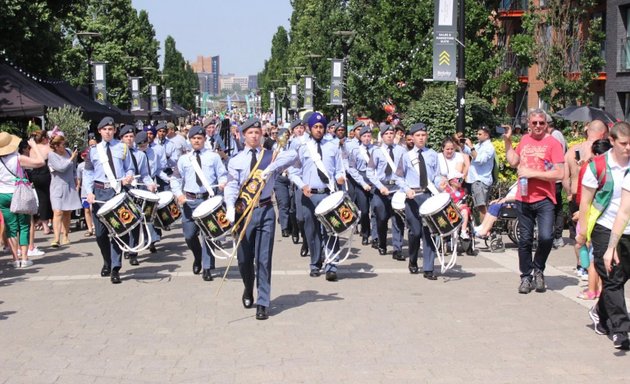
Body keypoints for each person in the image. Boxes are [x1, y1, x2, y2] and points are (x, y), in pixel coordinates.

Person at [224, 118, 297, 320]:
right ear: (243, 135)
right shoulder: (236, 160)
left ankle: (263, 301)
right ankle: (248, 287)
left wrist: (272, 168)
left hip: (265, 210)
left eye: (257, 132)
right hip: (244, 211)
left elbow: (292, 155)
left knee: (264, 259)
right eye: (250, 133)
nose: (254, 136)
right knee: (244, 259)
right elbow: (231, 187)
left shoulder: (271, 156)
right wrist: (230, 207)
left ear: (261, 135)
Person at [577, 122, 630, 350]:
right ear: (612, 141)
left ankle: (599, 311)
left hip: (627, 230)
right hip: (604, 227)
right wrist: (581, 233)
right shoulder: (597, 166)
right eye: (624, 143)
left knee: (621, 277)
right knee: (612, 278)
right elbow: (585, 202)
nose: (628, 148)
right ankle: (621, 330)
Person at [504, 109, 565, 294]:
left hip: (545, 198)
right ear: (529, 124)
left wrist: (533, 174)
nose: (538, 126)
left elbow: (560, 173)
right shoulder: (524, 140)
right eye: (534, 123)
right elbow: (514, 161)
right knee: (525, 240)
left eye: (541, 123)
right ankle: (526, 276)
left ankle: (539, 268)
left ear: (546, 124)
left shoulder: (553, 143)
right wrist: (507, 142)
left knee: (546, 237)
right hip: (524, 198)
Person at [288, 112, 345, 281]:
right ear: (309, 128)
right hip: (309, 194)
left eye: (321, 127)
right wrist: (302, 185)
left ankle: (331, 265)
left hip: (328, 194)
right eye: (316, 127)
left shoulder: (333, 146)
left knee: (332, 230)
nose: (319, 130)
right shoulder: (302, 147)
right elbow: (293, 171)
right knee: (311, 231)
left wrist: (340, 177)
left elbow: (340, 168)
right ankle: (315, 263)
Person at [83, 116, 136, 284]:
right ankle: (106, 260)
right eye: (104, 129)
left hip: (117, 191)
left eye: (110, 129)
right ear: (99, 131)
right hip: (99, 193)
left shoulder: (122, 148)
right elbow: (88, 173)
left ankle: (115, 267)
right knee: (100, 234)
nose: (108, 132)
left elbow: (130, 168)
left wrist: (128, 177)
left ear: (114, 131)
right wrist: (88, 193)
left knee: (118, 232)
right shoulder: (93, 151)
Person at [171, 125, 227, 282]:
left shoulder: (213, 157)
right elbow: (175, 179)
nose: (197, 141)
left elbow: (222, 174)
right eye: (194, 138)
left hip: (207, 199)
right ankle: (198, 256)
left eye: (199, 138)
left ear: (204, 140)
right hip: (189, 201)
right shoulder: (183, 159)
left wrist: (222, 183)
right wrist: (179, 195)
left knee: (208, 235)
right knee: (189, 236)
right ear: (190, 140)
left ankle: (207, 267)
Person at [394, 122, 442, 280]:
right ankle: (413, 259)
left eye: (423, 135)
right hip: (413, 197)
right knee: (415, 232)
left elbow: (436, 175)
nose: (421, 138)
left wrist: (441, 181)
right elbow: (398, 177)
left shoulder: (433, 154)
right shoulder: (406, 156)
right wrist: (406, 189)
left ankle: (428, 268)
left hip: (428, 196)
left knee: (429, 232)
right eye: (418, 136)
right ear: (412, 138)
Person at [563, 119, 608, 279]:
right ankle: (592, 269)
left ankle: (581, 266)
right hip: (593, 197)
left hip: (574, 196)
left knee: (579, 235)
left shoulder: (572, 151)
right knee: (592, 234)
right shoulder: (601, 150)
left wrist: (569, 193)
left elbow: (564, 177)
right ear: (603, 133)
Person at [0, 132, 45, 268]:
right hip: (18, 194)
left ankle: (15, 259)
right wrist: (34, 147)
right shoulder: (17, 158)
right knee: (24, 226)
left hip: (2, 195)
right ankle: (24, 258)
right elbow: (40, 162)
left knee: (11, 228)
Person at [366, 124, 406, 259]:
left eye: (391, 133)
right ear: (382, 136)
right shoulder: (376, 152)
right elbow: (370, 172)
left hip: (397, 189)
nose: (389, 136)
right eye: (386, 134)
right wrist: (379, 186)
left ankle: (397, 249)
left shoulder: (401, 150)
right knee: (381, 219)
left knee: (397, 219)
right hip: (381, 188)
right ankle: (382, 243)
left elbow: (406, 170)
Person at [118, 125, 156, 265]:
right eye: (126, 136)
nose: (129, 139)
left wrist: (150, 184)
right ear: (121, 138)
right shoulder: (117, 154)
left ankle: (133, 252)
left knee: (135, 222)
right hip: (120, 191)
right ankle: (125, 246)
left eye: (131, 136)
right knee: (123, 221)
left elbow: (145, 174)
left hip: (135, 191)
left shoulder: (140, 155)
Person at [47, 135, 82, 248]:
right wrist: (71, 158)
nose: (65, 146)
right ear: (56, 146)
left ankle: (65, 235)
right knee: (57, 212)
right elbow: (60, 168)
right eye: (62, 144)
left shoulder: (68, 152)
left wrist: (76, 179)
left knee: (67, 211)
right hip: (57, 186)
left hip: (70, 185)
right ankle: (56, 238)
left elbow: (73, 168)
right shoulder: (52, 155)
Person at [347, 125, 375, 245]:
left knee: (375, 210)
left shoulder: (376, 150)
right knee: (363, 211)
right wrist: (362, 183)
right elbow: (352, 169)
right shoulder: (356, 151)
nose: (367, 138)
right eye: (364, 136)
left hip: (374, 181)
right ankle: (365, 233)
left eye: (369, 136)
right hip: (361, 180)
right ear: (360, 137)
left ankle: (376, 236)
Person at [464, 125, 496, 222]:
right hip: (476, 179)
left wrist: (471, 146)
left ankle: (485, 229)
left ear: (486, 135)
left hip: (481, 180)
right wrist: (460, 144)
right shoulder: (479, 145)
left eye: (480, 134)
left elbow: (479, 159)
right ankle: (485, 230)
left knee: (481, 207)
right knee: (481, 206)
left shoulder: (489, 147)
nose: (477, 136)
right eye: (477, 133)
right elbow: (468, 151)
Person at [545, 114, 568, 249]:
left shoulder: (555, 135)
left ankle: (557, 236)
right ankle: (554, 235)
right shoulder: (554, 134)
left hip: (555, 178)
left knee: (555, 207)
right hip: (552, 177)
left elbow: (555, 156)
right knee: (554, 207)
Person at [28, 130, 53, 234]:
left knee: (42, 200)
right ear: (43, 138)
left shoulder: (32, 149)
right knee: (50, 199)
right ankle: (51, 224)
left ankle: (44, 225)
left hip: (35, 175)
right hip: (46, 174)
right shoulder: (47, 148)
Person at [442, 170, 472, 239]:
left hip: (461, 212)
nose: (460, 181)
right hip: (450, 212)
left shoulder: (463, 190)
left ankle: (463, 231)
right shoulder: (446, 192)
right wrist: (455, 207)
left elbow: (465, 203)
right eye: (458, 179)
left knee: (465, 211)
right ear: (451, 181)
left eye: (461, 179)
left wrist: (462, 206)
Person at [77, 149, 95, 237]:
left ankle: (95, 226)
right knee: (87, 209)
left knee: (94, 210)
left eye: (87, 155)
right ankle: (90, 228)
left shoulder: (95, 163)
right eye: (84, 156)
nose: (86, 157)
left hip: (95, 190)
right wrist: (77, 188)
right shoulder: (80, 166)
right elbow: (79, 179)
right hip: (84, 191)